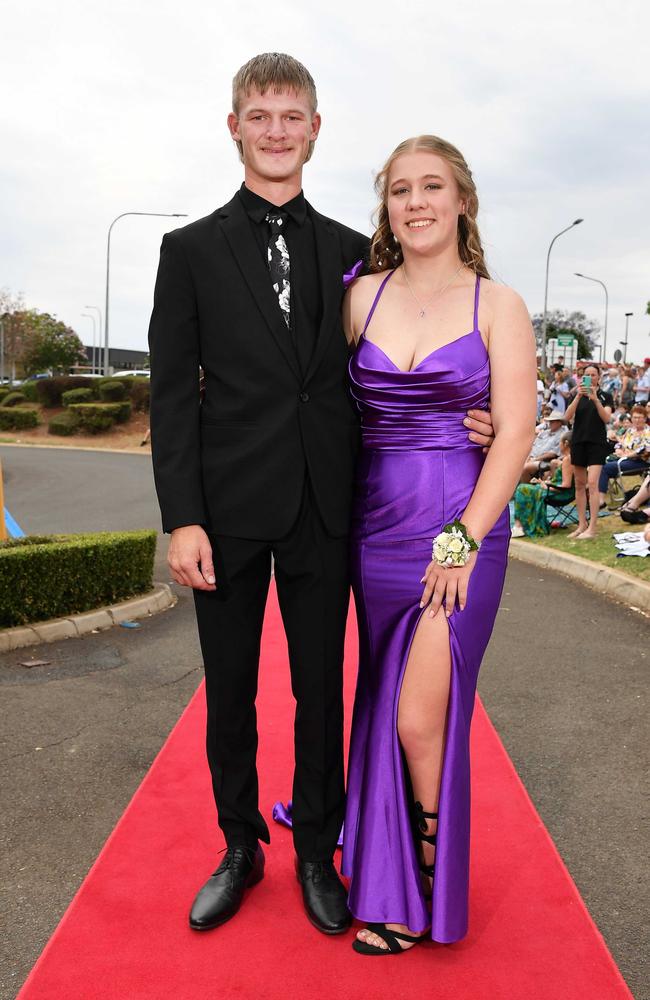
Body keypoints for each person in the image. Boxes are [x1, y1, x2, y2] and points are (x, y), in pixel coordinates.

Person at [147, 54, 496, 937]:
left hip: (327, 515)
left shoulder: (352, 254)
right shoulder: (185, 252)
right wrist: (183, 516)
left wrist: (475, 413)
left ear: (314, 127)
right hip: (223, 517)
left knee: (318, 690)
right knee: (230, 693)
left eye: (290, 115)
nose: (275, 130)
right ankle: (238, 847)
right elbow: (168, 396)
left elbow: (398, 353)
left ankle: (316, 852)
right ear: (235, 127)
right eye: (259, 115)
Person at [341, 135, 536, 954]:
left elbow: (517, 433)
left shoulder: (499, 304)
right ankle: (388, 879)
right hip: (373, 527)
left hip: (460, 530)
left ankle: (423, 876)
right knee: (384, 705)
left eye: (432, 186)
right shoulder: (359, 298)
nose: (415, 202)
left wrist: (461, 540)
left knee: (422, 716)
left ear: (463, 200)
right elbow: (318, 408)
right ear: (386, 207)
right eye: (399, 190)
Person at [563, 363, 613, 539]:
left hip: (596, 443)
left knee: (593, 483)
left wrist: (595, 399)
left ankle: (592, 527)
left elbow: (607, 418)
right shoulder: (577, 395)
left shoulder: (605, 396)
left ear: (599, 377)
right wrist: (578, 397)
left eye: (593, 374)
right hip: (578, 441)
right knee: (579, 484)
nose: (590, 378)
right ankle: (582, 524)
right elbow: (566, 418)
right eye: (587, 374)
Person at [511, 431, 574, 537]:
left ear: (566, 443)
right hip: (559, 491)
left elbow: (566, 485)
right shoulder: (572, 458)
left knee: (522, 489)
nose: (559, 445)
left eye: (560, 442)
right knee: (528, 488)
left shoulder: (568, 460)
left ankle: (519, 526)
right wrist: (544, 482)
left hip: (561, 495)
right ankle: (521, 525)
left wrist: (547, 487)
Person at [598, 404, 650, 504]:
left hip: (641, 461)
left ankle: (601, 500)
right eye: (634, 417)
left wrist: (626, 455)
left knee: (604, 468)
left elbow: (644, 450)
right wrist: (619, 450)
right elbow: (619, 443)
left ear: (645, 418)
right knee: (601, 463)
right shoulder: (630, 430)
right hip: (625, 459)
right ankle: (598, 496)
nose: (637, 420)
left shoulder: (648, 431)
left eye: (639, 418)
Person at [519, 409, 566, 482]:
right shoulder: (544, 432)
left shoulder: (561, 435)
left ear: (559, 422)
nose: (550, 423)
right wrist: (529, 458)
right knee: (515, 463)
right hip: (533, 457)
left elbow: (553, 453)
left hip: (546, 460)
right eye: (550, 421)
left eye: (552, 421)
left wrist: (535, 459)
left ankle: (524, 489)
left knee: (526, 467)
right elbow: (533, 446)